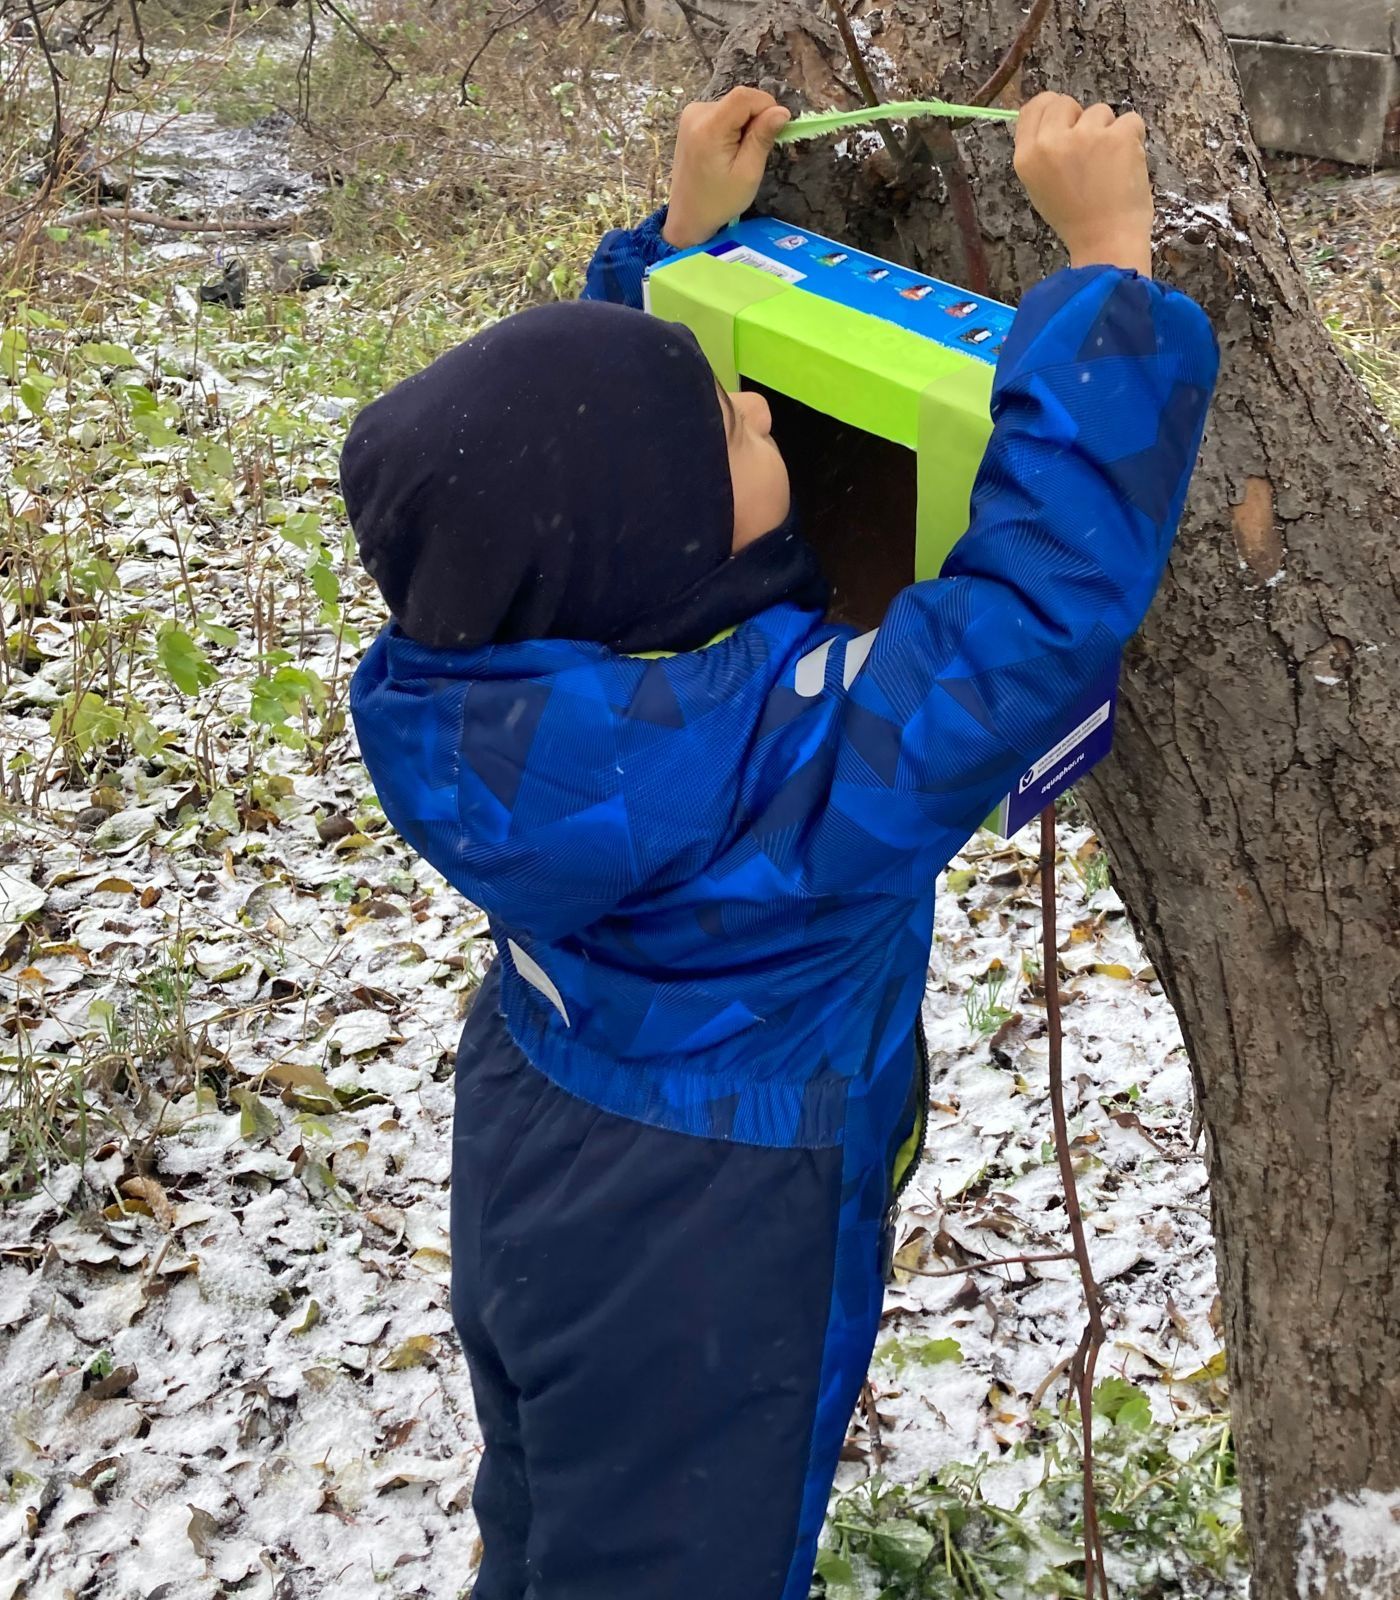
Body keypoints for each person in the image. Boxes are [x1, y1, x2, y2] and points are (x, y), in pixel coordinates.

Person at [342, 86, 1217, 1600]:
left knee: (556, 1497)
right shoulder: (801, 772)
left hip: (532, 1135)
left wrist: (673, 252)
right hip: (714, 1230)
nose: (754, 405)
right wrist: (1109, 275)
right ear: (676, 550)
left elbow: (555, 475)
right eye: (725, 423)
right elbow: (1025, 617)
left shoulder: (460, 695)